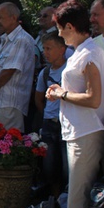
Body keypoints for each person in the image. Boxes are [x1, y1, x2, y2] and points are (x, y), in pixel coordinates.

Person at [45, 0, 104, 208]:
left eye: (60, 30)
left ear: (70, 26)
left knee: (78, 204)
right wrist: (62, 92)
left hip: (86, 134)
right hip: (77, 133)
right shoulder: (81, 51)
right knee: (77, 202)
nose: (59, 36)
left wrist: (61, 93)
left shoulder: (90, 54)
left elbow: (94, 99)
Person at [0, 2, 36, 131]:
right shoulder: (6, 39)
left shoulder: (21, 40)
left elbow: (9, 70)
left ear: (13, 18)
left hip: (10, 102)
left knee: (8, 144)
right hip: (0, 101)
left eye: (0, 17)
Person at [34, 32, 69, 196]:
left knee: (67, 168)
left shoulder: (70, 70)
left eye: (49, 48)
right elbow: (38, 99)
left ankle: (66, 200)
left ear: (62, 49)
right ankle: (54, 200)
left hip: (66, 124)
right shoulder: (45, 73)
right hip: (49, 124)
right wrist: (47, 115)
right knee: (49, 166)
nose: (45, 52)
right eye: (44, 49)